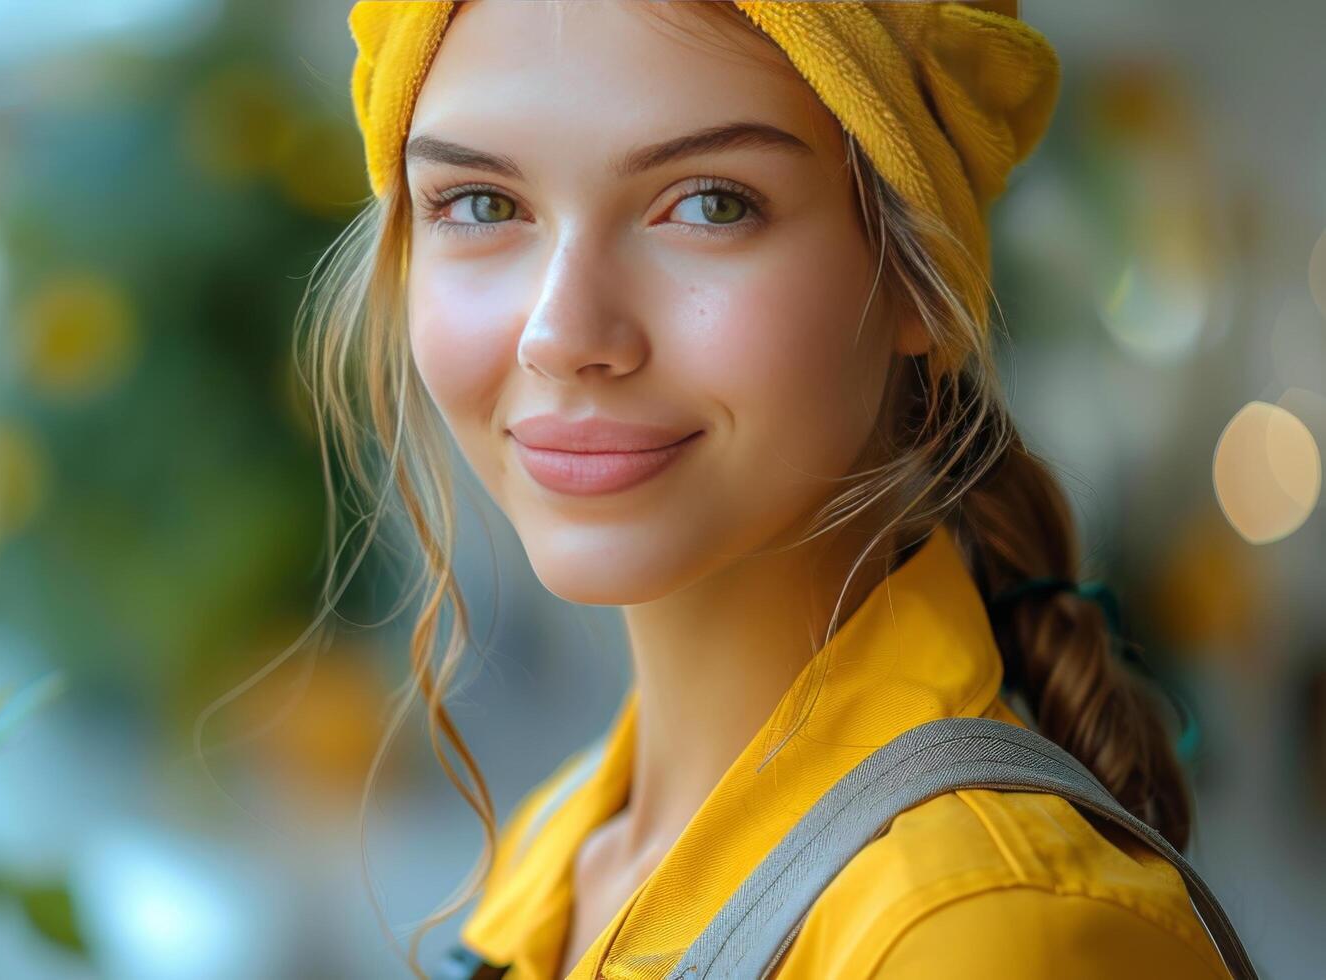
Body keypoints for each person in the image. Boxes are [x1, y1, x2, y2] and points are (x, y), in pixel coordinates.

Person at [301, 2, 1244, 977]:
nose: (562, 331)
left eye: (711, 202)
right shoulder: (566, 845)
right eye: (483, 204)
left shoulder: (979, 933)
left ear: (920, 279)